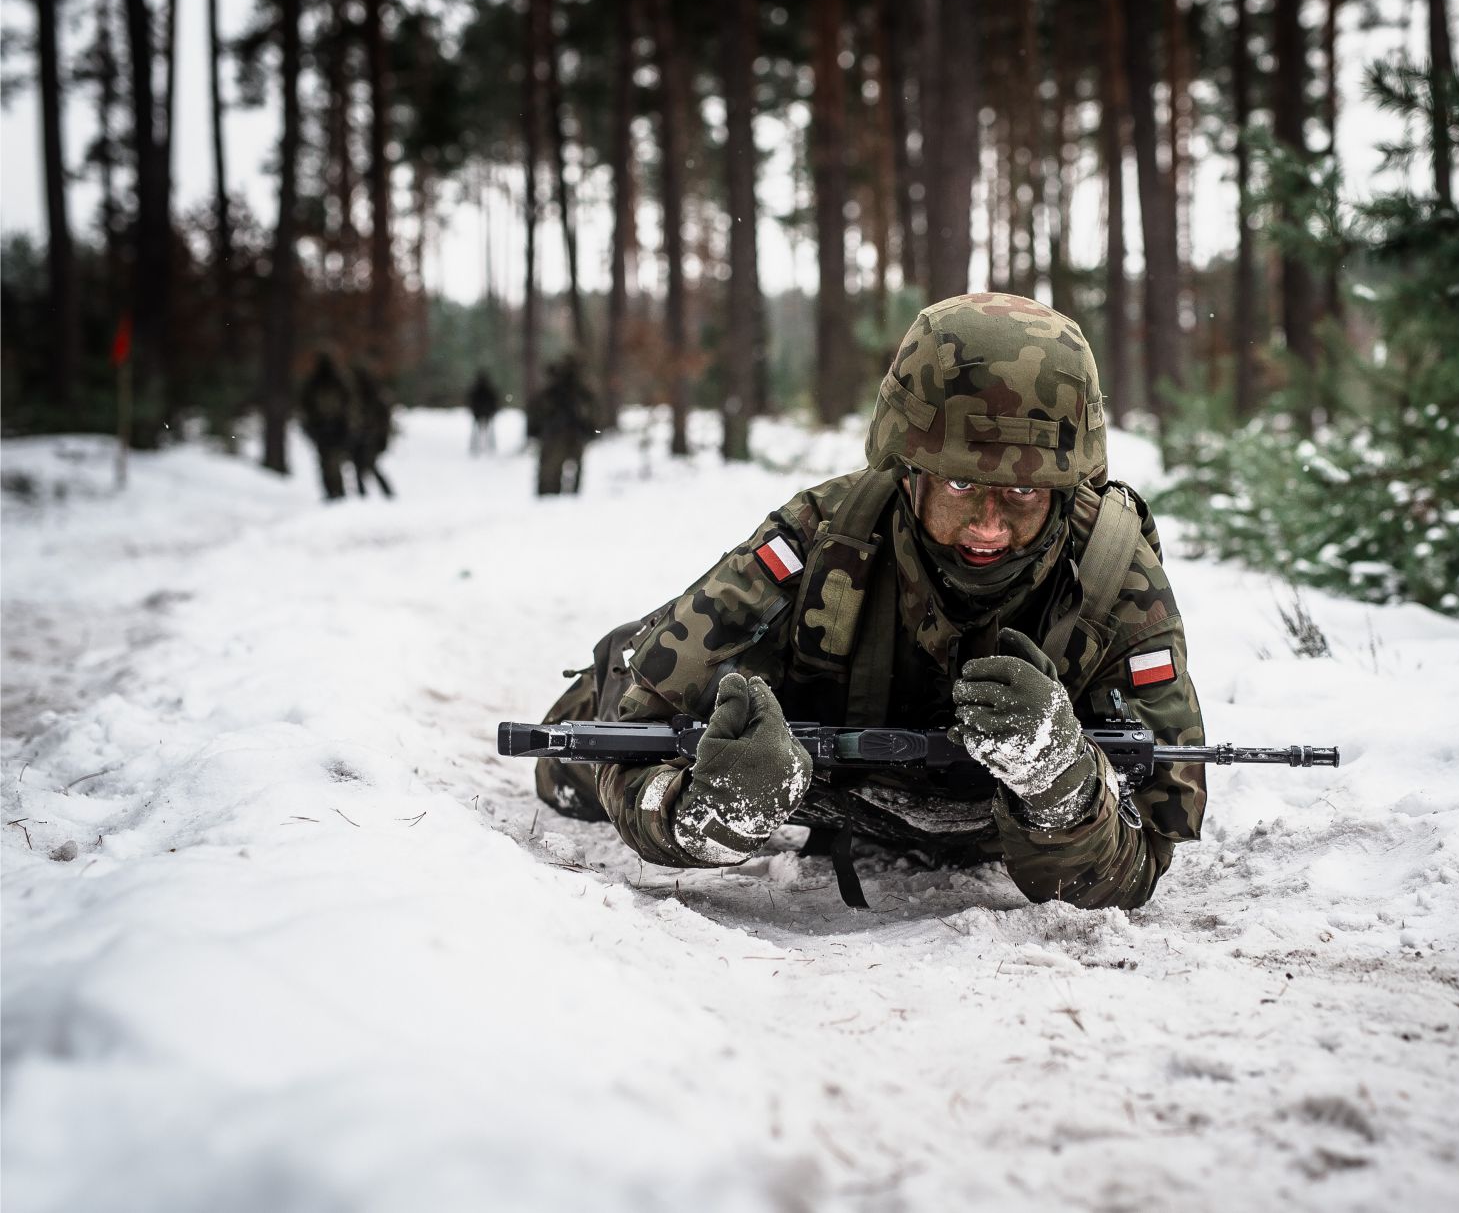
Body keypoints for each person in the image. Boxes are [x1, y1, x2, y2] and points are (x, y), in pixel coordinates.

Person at [535, 294, 1205, 909]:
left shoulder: (1116, 578)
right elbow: (634, 737)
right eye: (961, 487)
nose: (989, 526)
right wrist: (710, 812)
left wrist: (1062, 785)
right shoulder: (822, 538)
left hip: (998, 823)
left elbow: (1143, 859)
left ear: (1067, 486)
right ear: (907, 469)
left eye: (1025, 494)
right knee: (569, 763)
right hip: (819, 786)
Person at [534, 355, 596, 496]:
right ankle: (549, 493)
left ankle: (561, 493)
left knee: (562, 465)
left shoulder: (579, 390)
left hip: (571, 430)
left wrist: (590, 427)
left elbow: (590, 409)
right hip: (556, 431)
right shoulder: (555, 390)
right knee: (551, 467)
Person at [297, 350, 355, 501]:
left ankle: (335, 492)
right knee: (329, 462)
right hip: (326, 428)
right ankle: (334, 492)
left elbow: (348, 405)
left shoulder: (331, 382)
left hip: (331, 428)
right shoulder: (328, 382)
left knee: (329, 461)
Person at [349, 365, 396, 499]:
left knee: (368, 465)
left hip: (371, 436)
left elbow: (383, 419)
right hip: (361, 435)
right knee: (361, 466)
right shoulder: (356, 395)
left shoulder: (375, 396)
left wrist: (381, 436)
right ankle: (363, 494)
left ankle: (383, 493)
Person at [467, 369, 502, 454]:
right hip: (486, 413)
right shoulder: (489, 390)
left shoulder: (476, 390)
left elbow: (471, 402)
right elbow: (494, 402)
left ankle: (476, 446)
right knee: (487, 431)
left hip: (480, 413)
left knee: (477, 431)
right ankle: (489, 446)